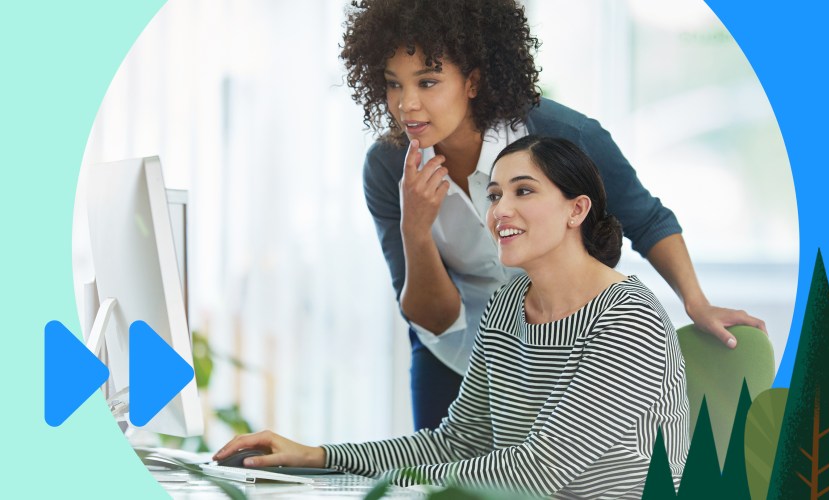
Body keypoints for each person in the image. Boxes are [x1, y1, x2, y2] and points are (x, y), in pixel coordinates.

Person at [341, 0, 765, 430]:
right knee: (438, 487)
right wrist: (415, 228)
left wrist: (697, 303)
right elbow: (435, 318)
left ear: (472, 81)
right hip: (453, 356)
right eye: (394, 84)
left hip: (564, 345)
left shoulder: (565, 136)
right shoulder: (388, 168)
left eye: (428, 82)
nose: (406, 105)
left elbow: (647, 219)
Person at [213, 136, 690, 498]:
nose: (501, 210)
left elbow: (539, 470)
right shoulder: (508, 305)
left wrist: (383, 490)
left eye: (524, 192)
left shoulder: (628, 319)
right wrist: (318, 458)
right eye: (495, 194)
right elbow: (456, 443)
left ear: (576, 210)